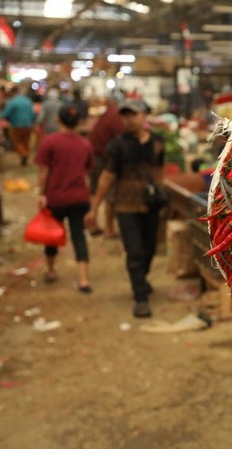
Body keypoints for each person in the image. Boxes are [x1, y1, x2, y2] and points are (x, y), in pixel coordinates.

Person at [85, 100, 166, 318]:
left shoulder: (157, 142)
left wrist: (160, 192)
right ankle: (140, 297)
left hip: (151, 203)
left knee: (150, 248)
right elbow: (107, 176)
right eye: (125, 115)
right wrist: (94, 208)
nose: (129, 119)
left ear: (144, 116)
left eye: (134, 114)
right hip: (126, 203)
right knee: (134, 250)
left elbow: (159, 170)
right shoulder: (117, 145)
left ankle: (142, 278)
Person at [35, 105, 94, 292]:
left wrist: (42, 194)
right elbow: (87, 172)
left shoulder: (49, 142)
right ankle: (83, 278)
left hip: (56, 197)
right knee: (79, 235)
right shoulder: (85, 144)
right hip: (79, 197)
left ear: (58, 121)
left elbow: (43, 172)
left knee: (51, 235)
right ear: (78, 123)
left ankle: (51, 269)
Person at [87, 95, 125, 238]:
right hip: (104, 157)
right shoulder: (117, 116)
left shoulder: (108, 114)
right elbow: (122, 138)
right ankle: (109, 229)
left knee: (95, 190)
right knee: (110, 192)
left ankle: (92, 223)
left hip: (95, 153)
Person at [0, 85, 36, 166]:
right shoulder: (28, 101)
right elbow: (33, 114)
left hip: (17, 125)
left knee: (17, 143)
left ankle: (24, 155)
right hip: (28, 125)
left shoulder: (12, 102)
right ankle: (24, 159)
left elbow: (5, 114)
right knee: (25, 142)